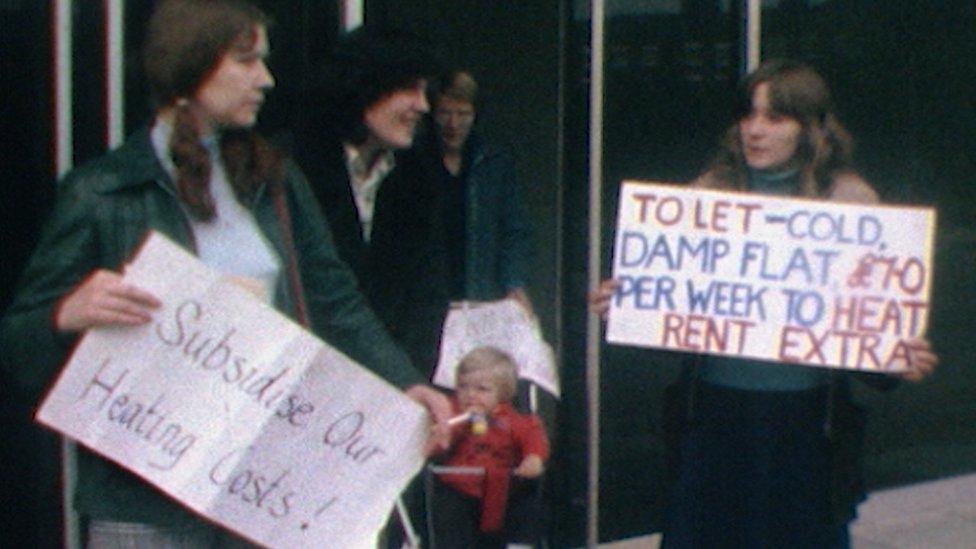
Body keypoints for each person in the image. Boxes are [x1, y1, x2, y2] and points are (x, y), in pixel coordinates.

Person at [0, 1, 449, 546]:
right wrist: (61, 316)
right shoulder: (101, 191)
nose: (266, 79)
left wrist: (405, 380)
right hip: (145, 501)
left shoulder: (277, 183)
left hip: (263, 490)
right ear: (189, 67)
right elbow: (17, 352)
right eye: (246, 61)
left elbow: (335, 301)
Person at [590, 59, 939, 548]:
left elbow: (864, 332)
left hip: (805, 424)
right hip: (714, 418)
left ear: (812, 128)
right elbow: (673, 314)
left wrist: (896, 359)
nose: (755, 130)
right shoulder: (710, 194)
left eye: (775, 118)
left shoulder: (849, 202)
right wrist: (628, 306)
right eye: (748, 115)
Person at [293, 27, 444, 373]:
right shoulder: (293, 168)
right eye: (409, 88)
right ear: (365, 85)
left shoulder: (418, 180)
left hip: (389, 391)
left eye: (425, 90)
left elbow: (428, 302)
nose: (422, 105)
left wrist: (408, 386)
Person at [421, 70, 535, 316]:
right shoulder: (415, 162)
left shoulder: (494, 165)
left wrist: (514, 284)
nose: (453, 124)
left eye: (463, 114)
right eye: (444, 113)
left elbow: (514, 230)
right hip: (429, 301)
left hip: (481, 297)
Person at [429, 347, 549, 549]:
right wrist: (446, 431)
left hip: (503, 489)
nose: (470, 395)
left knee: (527, 505)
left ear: (502, 393)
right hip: (461, 489)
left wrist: (533, 458)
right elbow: (437, 446)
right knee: (449, 513)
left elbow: (533, 438)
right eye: (463, 387)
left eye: (482, 389)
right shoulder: (451, 414)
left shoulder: (512, 420)